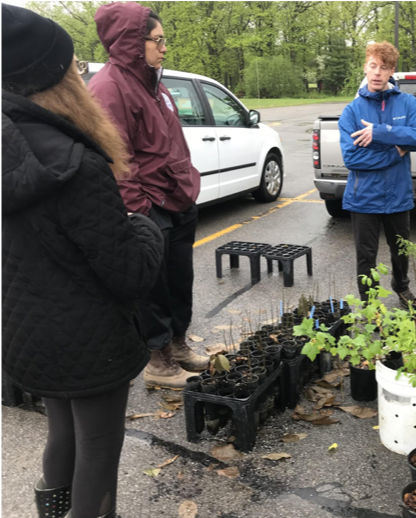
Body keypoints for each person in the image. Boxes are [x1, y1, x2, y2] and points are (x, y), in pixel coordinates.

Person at [1, 5, 165, 517]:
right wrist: (144, 226)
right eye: (71, 64)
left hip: (25, 333)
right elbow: (129, 273)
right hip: (91, 340)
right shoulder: (75, 163)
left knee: (62, 430)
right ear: (53, 75)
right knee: (98, 447)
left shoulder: (11, 149)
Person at [89, 2, 209, 389]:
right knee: (152, 289)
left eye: (163, 40)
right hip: (150, 207)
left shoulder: (152, 82)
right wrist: (142, 212)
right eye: (157, 41)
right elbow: (117, 160)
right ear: (131, 42)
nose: (164, 48)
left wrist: (186, 188)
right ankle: (157, 361)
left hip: (177, 198)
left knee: (178, 281)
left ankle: (177, 345)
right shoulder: (109, 88)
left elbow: (167, 143)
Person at [339, 41, 416, 304]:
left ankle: (401, 287)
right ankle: (369, 303)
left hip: (398, 195)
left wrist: (381, 132)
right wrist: (396, 151)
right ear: (365, 67)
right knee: (366, 255)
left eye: (385, 67)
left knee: (400, 249)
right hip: (363, 197)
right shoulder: (352, 111)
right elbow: (352, 157)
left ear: (392, 72)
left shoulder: (408, 103)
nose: (378, 72)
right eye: (373, 66)